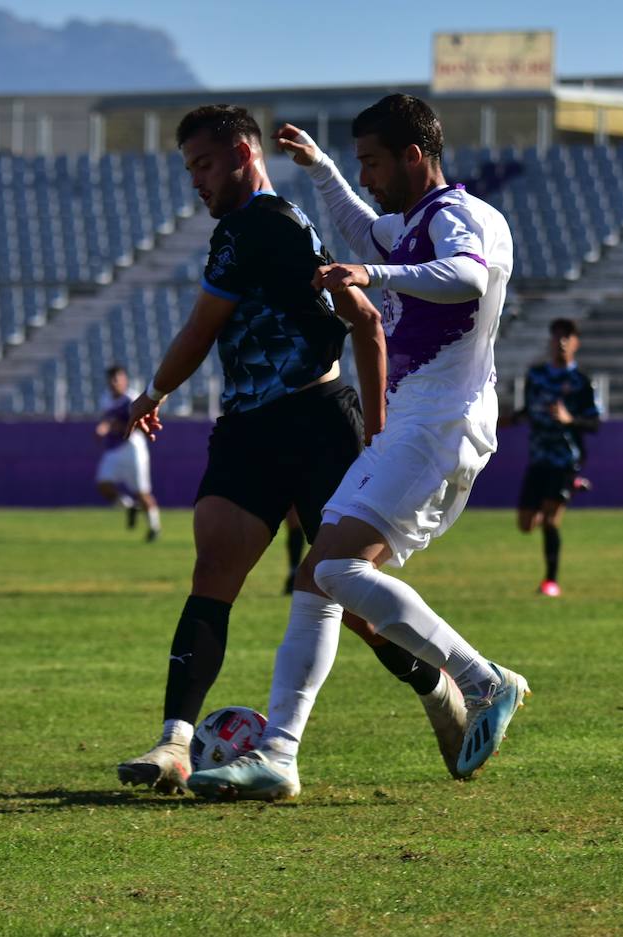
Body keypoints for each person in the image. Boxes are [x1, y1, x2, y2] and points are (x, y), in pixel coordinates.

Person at [186, 95, 530, 800]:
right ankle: (279, 755)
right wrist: (322, 171)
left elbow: (466, 274)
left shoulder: (463, 218)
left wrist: (376, 276)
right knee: (318, 577)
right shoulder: (414, 224)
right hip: (412, 420)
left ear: (413, 155)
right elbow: (364, 229)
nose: (367, 176)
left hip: (444, 421)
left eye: (373, 161)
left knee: (336, 570)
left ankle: (480, 678)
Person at [117, 104, 466, 795]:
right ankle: (175, 745)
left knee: (346, 595)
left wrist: (153, 391)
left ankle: (441, 687)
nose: (197, 181)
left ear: (245, 157)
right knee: (215, 563)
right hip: (252, 423)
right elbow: (358, 323)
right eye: (190, 168)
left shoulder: (262, 226)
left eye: (205, 165)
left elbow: (215, 327)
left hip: (313, 421)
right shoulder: (252, 230)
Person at [516, 318, 601, 597]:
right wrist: (502, 419)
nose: (561, 341)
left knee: (551, 522)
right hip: (538, 457)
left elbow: (594, 424)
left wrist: (569, 419)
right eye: (556, 336)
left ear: (576, 343)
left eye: (567, 336)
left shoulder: (583, 382)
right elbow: (528, 410)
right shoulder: (536, 375)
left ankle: (550, 582)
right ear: (550, 341)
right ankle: (570, 491)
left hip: (565, 459)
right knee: (526, 525)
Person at [94, 364, 160, 542]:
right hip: (113, 448)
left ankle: (154, 527)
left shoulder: (131, 398)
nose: (114, 383)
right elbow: (107, 421)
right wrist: (103, 428)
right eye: (111, 379)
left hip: (132, 447)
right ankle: (130, 507)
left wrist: (118, 426)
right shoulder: (105, 399)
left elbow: (140, 424)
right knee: (103, 485)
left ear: (125, 380)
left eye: (117, 379)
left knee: (142, 492)